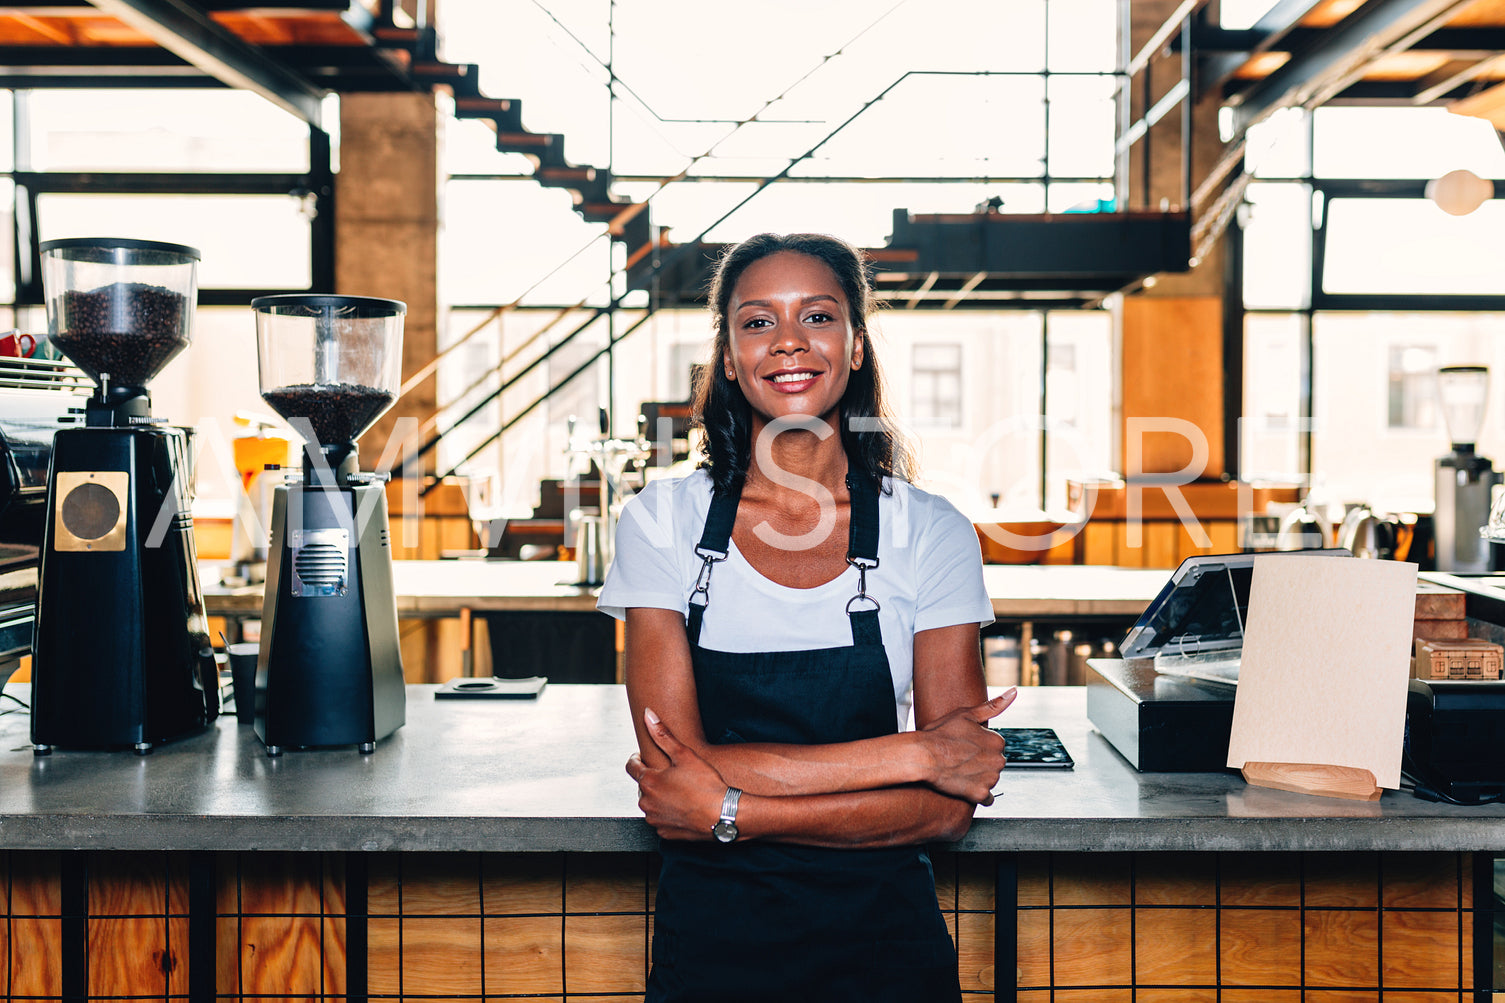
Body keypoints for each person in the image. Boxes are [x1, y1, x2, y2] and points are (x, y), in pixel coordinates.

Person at [598, 232, 1014, 1002]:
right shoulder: (660, 520)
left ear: (855, 345)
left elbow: (950, 803)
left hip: (886, 945)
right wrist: (910, 754)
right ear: (727, 356)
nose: (788, 340)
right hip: (715, 944)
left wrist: (730, 808)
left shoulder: (929, 529)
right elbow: (669, 772)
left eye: (816, 316)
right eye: (756, 322)